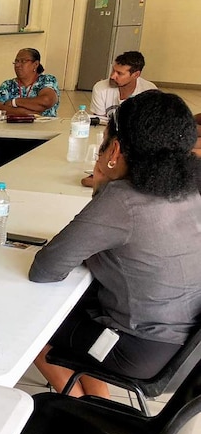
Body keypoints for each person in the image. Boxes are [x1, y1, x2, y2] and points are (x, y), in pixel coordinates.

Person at [28, 91, 201, 399]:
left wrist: (101, 184)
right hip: (188, 351)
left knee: (30, 323)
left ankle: (82, 411)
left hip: (138, 351)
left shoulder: (122, 200)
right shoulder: (191, 189)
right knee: (78, 309)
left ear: (115, 149)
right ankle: (98, 401)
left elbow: (46, 269)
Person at [0, 48, 60, 170]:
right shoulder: (8, 84)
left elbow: (46, 101)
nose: (17, 65)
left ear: (35, 64)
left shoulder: (47, 80)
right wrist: (27, 112)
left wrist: (14, 102)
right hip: (9, 134)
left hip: (40, 135)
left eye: (22, 61)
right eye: (16, 61)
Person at [89, 51, 156, 119]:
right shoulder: (100, 88)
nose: (112, 76)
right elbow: (98, 122)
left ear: (136, 75)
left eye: (119, 73)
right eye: (113, 70)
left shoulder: (149, 91)